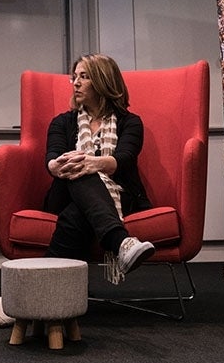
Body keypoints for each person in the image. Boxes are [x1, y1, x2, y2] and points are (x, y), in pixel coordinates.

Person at [42, 53, 156, 283]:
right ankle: (121, 242)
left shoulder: (130, 122)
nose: (75, 82)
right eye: (74, 77)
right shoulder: (62, 122)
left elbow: (124, 158)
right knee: (78, 168)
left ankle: (41, 291)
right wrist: (56, 166)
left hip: (120, 194)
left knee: (76, 214)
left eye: (84, 77)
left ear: (103, 81)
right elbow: (52, 156)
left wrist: (93, 164)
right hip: (63, 194)